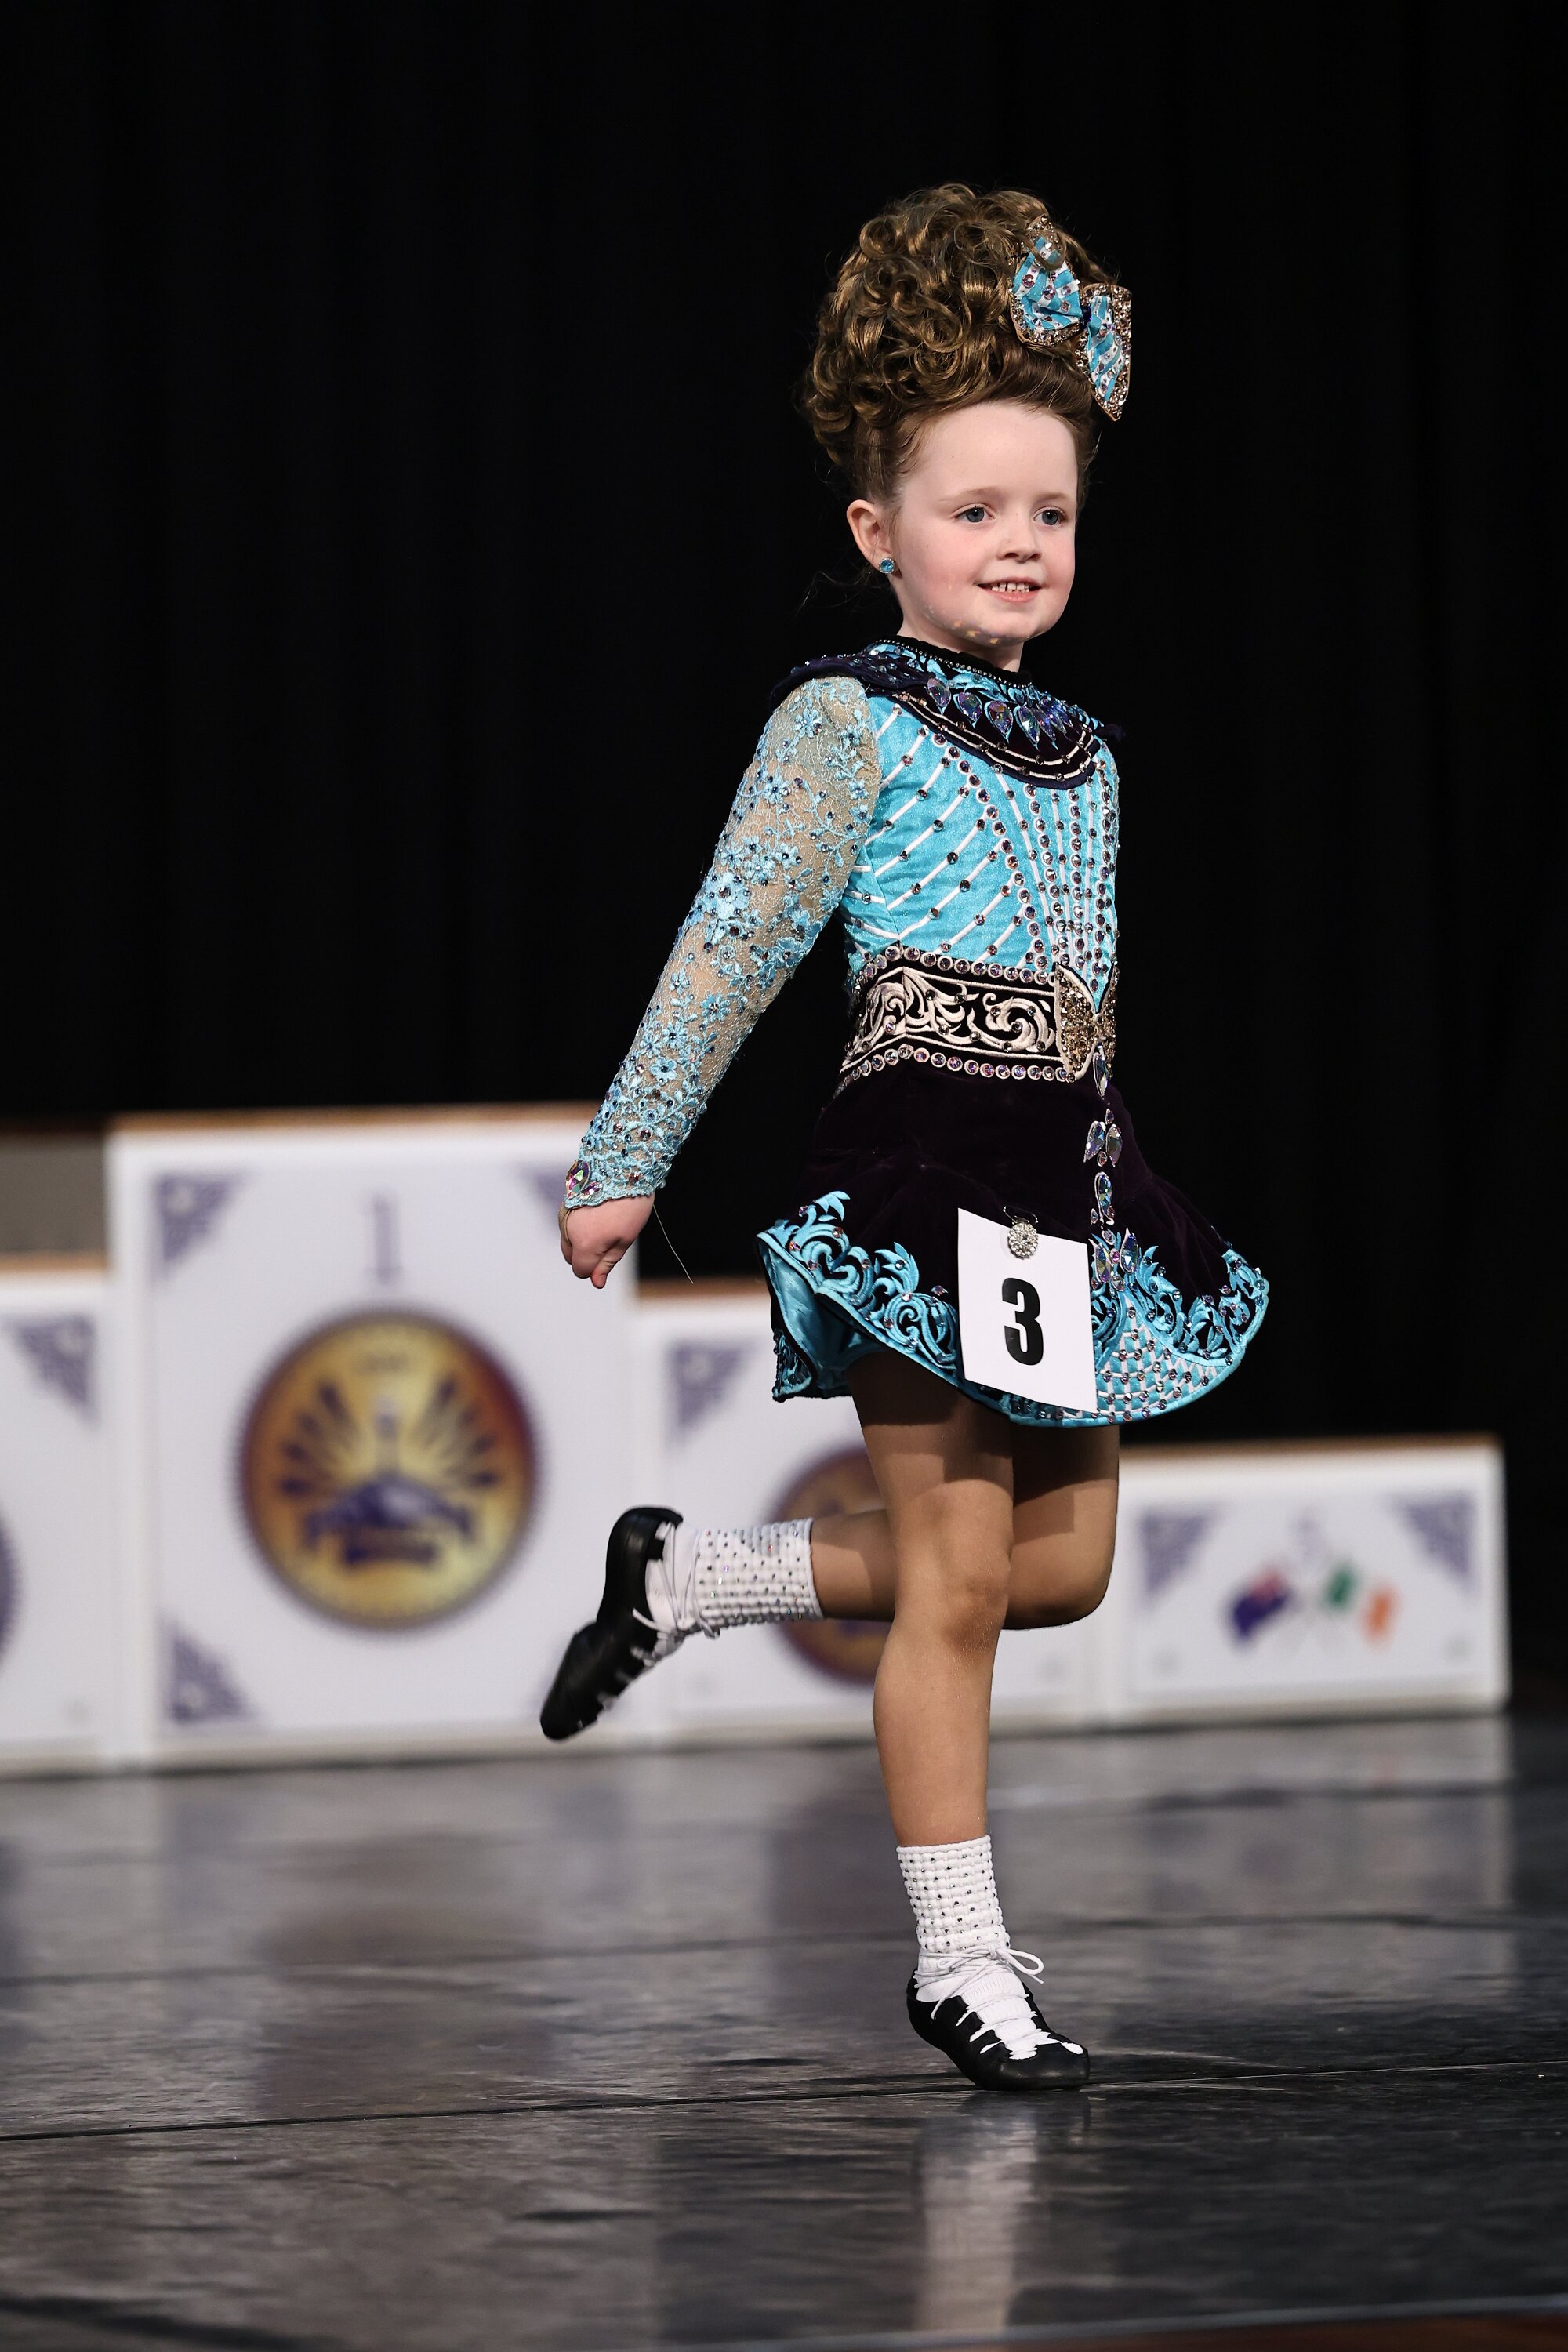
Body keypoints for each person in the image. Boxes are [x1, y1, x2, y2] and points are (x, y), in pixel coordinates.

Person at [544, 184, 1267, 2092]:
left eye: (1051, 515)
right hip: (923, 1174)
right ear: (879, 534)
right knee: (952, 1580)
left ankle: (687, 1579)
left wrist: (1105, 1180)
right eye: (974, 513)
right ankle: (960, 1955)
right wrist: (625, 1158)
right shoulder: (842, 722)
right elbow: (732, 940)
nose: (1019, 544)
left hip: (1063, 1186)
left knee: (1059, 1566)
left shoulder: (1089, 755)